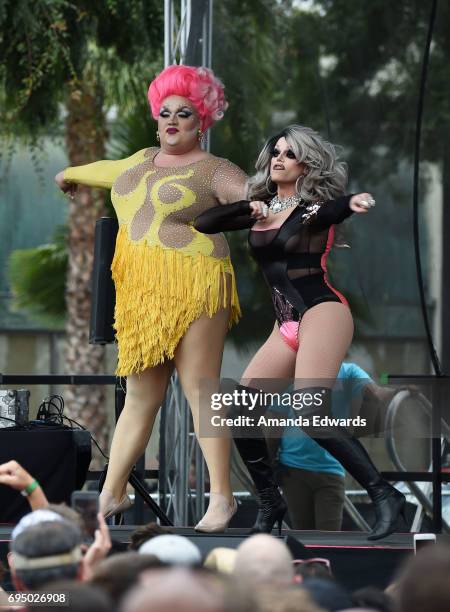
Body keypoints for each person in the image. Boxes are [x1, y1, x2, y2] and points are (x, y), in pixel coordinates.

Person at [55, 65, 248, 531]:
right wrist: (70, 173)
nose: (173, 121)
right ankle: (112, 492)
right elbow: (106, 171)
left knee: (201, 388)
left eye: (184, 113)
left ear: (202, 120)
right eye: (165, 113)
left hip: (197, 282)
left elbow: (254, 195)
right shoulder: (140, 159)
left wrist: (283, 202)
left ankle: (222, 498)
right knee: (140, 395)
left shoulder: (215, 169)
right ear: (155, 118)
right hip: (141, 295)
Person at [194, 124, 406, 540]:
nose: (278, 159)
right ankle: (271, 499)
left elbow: (333, 210)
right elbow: (204, 223)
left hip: (323, 313)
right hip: (286, 324)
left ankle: (383, 494)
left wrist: (353, 202)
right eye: (275, 151)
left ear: (305, 164)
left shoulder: (312, 210)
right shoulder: (261, 207)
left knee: (310, 412)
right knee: (238, 407)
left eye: (289, 154)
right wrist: (248, 210)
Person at [276, 362, 371, 531]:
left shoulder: (348, 372)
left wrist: (396, 390)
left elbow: (373, 390)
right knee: (302, 533)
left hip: (330, 468)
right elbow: (275, 420)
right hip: (293, 467)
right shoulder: (293, 374)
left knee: (329, 535)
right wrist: (269, 465)